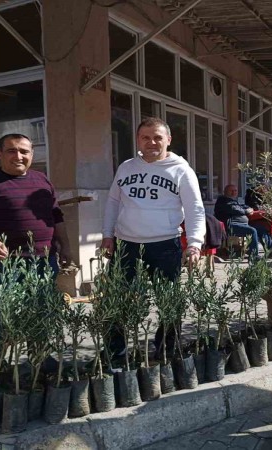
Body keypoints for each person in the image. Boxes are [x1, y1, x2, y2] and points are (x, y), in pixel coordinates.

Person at [0, 133, 72, 372]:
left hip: (43, 260)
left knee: (42, 310)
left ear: (32, 154)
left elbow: (56, 216)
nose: (19, 156)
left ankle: (40, 358)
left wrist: (66, 247)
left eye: (24, 151)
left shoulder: (41, 180)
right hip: (3, 262)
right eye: (12, 151)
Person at [101, 117, 205, 356]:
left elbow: (194, 209)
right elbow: (113, 202)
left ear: (168, 140)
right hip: (126, 244)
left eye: (158, 137)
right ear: (138, 140)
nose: (152, 142)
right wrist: (107, 234)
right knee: (116, 298)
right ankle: (115, 350)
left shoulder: (181, 170)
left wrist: (195, 243)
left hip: (164, 245)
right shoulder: (126, 167)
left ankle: (167, 348)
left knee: (168, 300)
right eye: (145, 137)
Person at [215, 184, 272, 260]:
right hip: (231, 226)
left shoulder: (232, 201)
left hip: (243, 224)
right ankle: (254, 256)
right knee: (252, 231)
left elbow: (241, 206)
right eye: (231, 191)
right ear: (225, 191)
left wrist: (249, 208)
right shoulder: (223, 200)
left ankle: (270, 251)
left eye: (235, 190)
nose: (233, 192)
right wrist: (246, 211)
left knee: (261, 229)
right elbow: (235, 209)